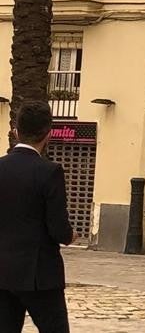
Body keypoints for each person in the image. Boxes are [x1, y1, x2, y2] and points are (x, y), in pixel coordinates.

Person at [0, 102, 74, 333]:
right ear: (48, 133)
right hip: (40, 274)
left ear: (15, 131)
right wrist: (70, 235)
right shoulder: (49, 171)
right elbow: (58, 227)